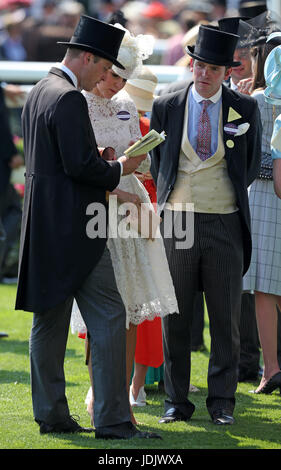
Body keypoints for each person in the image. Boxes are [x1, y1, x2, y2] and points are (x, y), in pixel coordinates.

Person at [15, 14, 160, 440]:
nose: (104, 77)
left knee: (49, 322)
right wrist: (119, 167)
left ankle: (52, 414)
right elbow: (81, 167)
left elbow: (58, 162)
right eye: (103, 67)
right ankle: (113, 419)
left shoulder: (38, 91)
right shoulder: (69, 98)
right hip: (78, 229)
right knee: (111, 315)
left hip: (43, 227)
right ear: (89, 57)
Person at [150, 24, 261, 425]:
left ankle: (222, 403)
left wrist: (219, 195)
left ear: (227, 71)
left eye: (214, 68)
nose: (204, 73)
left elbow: (247, 166)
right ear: (192, 64)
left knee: (225, 318)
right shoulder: (166, 104)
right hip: (177, 222)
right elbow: (159, 162)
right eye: (200, 65)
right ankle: (176, 402)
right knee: (175, 318)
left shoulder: (245, 109)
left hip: (226, 221)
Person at [70, 28, 178, 425]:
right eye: (115, 74)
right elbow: (84, 167)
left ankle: (121, 389)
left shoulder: (126, 105)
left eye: (125, 78)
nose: (117, 84)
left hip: (130, 206)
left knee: (131, 305)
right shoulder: (76, 103)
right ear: (101, 67)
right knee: (99, 303)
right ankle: (99, 385)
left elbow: (137, 158)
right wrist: (120, 183)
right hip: (97, 205)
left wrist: (139, 156)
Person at [243, 37, 281, 394]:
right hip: (271, 192)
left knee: (264, 289)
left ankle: (270, 368)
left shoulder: (256, 100)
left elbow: (249, 155)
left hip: (264, 196)